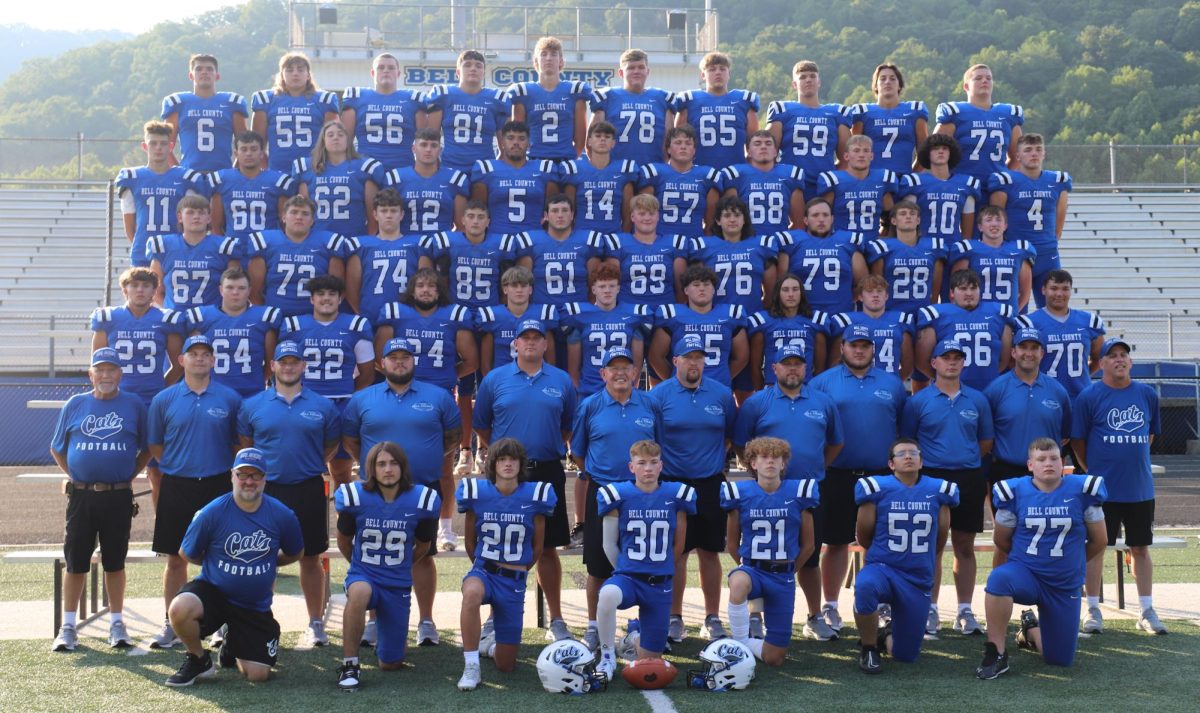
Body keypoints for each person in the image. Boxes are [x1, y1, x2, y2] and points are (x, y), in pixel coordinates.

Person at [342, 338, 462, 647]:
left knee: (424, 554)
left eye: (405, 357)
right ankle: (373, 620)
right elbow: (351, 441)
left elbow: (452, 438)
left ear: (414, 361)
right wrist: (373, 467)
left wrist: (426, 459)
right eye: (393, 358)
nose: (399, 362)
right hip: (375, 490)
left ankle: (425, 620)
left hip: (422, 487)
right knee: (373, 553)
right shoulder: (362, 399)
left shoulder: (438, 397)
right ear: (381, 363)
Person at [473, 318, 578, 641]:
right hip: (507, 472)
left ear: (546, 345)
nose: (531, 342)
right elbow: (482, 425)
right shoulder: (495, 379)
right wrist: (505, 455)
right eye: (525, 338)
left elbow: (567, 426)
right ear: (514, 344)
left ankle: (556, 619)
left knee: (547, 547)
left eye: (537, 338)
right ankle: (495, 615)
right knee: (500, 546)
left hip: (547, 468)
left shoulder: (560, 380)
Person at [163, 448, 303, 686]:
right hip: (215, 593)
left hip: (253, 606)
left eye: (255, 475)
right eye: (243, 474)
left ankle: (232, 643)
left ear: (265, 478)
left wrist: (269, 563)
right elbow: (187, 553)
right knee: (179, 609)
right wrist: (216, 565)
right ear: (232, 476)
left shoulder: (282, 515)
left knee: (257, 676)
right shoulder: (211, 513)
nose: (249, 481)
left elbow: (295, 552)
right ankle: (198, 660)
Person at [733, 345, 844, 640]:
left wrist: (814, 470)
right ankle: (755, 616)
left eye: (798, 364)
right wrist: (760, 477)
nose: (792, 369)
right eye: (786, 364)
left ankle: (814, 615)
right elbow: (741, 444)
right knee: (756, 555)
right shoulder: (757, 403)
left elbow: (835, 443)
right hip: (765, 493)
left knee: (809, 556)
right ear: (774, 369)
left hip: (808, 490)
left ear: (805, 368)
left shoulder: (822, 401)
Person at [237, 341, 341, 647]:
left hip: (308, 486)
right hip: (267, 492)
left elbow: (331, 445)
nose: (289, 366)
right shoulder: (253, 405)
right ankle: (258, 618)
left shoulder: (322, 406)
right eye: (283, 362)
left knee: (311, 557)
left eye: (295, 362)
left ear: (304, 366)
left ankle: (315, 622)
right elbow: (246, 444)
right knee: (262, 557)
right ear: (273, 366)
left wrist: (306, 461)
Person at [977, 439, 1107, 679]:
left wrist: (1073, 562)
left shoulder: (1083, 490)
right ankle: (996, 652)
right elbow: (1002, 541)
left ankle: (1029, 630)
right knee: (999, 579)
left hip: (1063, 583)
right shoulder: (1014, 492)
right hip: (1027, 575)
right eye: (1041, 459)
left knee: (1058, 660)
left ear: (1063, 462)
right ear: (1030, 465)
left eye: (1054, 458)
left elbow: (1100, 540)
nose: (1048, 463)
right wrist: (1023, 563)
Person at [50, 348, 150, 652]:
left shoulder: (133, 405)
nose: (106, 376)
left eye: (111, 370)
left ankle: (117, 623)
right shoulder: (75, 404)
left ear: (120, 374)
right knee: (76, 561)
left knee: (114, 561)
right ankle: (68, 626)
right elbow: (57, 448)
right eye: (100, 370)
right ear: (91, 375)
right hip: (81, 497)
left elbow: (147, 448)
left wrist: (127, 475)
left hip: (118, 496)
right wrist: (77, 475)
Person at [810, 324, 908, 635]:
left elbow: (902, 430)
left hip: (880, 476)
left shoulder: (892, 384)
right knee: (836, 542)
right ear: (843, 347)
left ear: (873, 349)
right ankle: (831, 606)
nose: (859, 350)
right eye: (854, 344)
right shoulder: (823, 383)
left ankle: (879, 605)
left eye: (865, 345)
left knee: (880, 545)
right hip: (838, 473)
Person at [147, 335, 242, 650]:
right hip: (177, 484)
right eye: (193, 354)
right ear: (181, 360)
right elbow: (156, 444)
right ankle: (171, 623)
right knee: (176, 558)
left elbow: (236, 442)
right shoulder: (165, 399)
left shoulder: (229, 398)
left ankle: (221, 623)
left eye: (206, 354)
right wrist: (179, 464)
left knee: (220, 558)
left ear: (214, 361)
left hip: (217, 485)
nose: (200, 359)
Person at [374, 268, 478, 549]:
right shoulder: (395, 313)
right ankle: (395, 519)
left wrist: (444, 377)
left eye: (431, 286)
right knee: (395, 460)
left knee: (443, 465)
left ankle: (445, 528)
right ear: (412, 289)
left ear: (439, 290)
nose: (426, 290)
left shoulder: (453, 315)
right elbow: (378, 357)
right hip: (402, 395)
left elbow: (471, 360)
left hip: (439, 397)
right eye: (420, 285)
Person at [899, 339, 994, 637]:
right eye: (946, 357)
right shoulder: (918, 401)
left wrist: (963, 461)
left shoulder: (977, 400)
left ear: (963, 363)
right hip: (932, 479)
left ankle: (965, 610)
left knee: (964, 546)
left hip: (968, 475)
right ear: (934, 363)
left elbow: (985, 441)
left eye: (957, 358)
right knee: (931, 547)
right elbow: (908, 443)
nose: (952, 362)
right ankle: (930, 608)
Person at [1071, 339, 1165, 635]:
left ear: (1131, 362)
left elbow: (1149, 435)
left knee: (1140, 548)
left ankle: (1146, 609)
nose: (1119, 360)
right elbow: (1078, 442)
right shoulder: (1089, 396)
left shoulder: (1147, 394)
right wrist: (1097, 473)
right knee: (1097, 548)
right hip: (1103, 492)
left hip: (1139, 489)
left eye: (1124, 355)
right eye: (1112, 356)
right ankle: (1093, 609)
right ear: (1101, 364)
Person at [649, 335, 738, 645]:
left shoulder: (722, 394)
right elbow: (653, 441)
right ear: (675, 361)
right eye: (687, 357)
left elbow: (729, 436)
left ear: (705, 362)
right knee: (677, 552)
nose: (693, 363)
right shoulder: (659, 395)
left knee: (710, 551)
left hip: (710, 481)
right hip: (673, 483)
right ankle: (675, 616)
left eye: (698, 358)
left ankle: (711, 616)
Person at [571, 346, 662, 648]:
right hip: (604, 493)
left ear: (636, 373)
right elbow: (579, 453)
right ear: (603, 374)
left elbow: (659, 448)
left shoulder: (650, 404)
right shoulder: (590, 405)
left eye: (626, 367)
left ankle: (646, 626)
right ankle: (594, 626)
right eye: (614, 368)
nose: (620, 373)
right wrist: (604, 479)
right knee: (598, 566)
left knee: (646, 562)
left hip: (643, 494)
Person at [334, 441, 440, 690]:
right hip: (365, 575)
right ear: (372, 468)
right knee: (358, 592)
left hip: (397, 582)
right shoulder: (355, 497)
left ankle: (388, 640)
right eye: (381, 463)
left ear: (402, 467)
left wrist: (401, 566)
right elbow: (343, 542)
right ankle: (350, 664)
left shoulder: (421, 499)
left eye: (393, 463)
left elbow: (423, 546)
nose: (388, 469)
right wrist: (361, 568)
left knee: (390, 663)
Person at [456, 438, 557, 690]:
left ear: (521, 463)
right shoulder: (477, 493)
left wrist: (519, 570)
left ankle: (490, 645)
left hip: (513, 581)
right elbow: (470, 542)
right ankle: (471, 665)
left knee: (506, 665)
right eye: (502, 459)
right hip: (484, 572)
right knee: (471, 593)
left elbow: (537, 546)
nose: (508, 464)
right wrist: (484, 568)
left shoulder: (536, 495)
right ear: (493, 463)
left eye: (513, 459)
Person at [853, 438, 957, 673]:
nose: (908, 456)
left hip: (917, 576)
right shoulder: (876, 488)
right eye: (901, 454)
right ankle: (869, 648)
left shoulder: (939, 490)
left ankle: (884, 634)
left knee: (905, 655)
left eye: (913, 453)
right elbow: (864, 536)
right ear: (891, 464)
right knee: (866, 585)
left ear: (922, 461)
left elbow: (940, 538)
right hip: (883, 567)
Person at [594, 440, 696, 681]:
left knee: (650, 659)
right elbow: (608, 543)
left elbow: (679, 543)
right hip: (629, 577)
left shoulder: (676, 495)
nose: (647, 468)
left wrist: (663, 568)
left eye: (653, 463)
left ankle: (632, 637)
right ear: (632, 467)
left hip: (660, 583)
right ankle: (607, 657)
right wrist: (625, 569)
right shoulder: (617, 494)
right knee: (607, 594)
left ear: (661, 466)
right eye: (641, 463)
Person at [91, 268, 185, 506]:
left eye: (146, 286)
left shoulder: (166, 319)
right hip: (117, 400)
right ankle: (111, 525)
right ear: (125, 290)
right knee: (112, 465)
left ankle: (161, 531)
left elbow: (179, 364)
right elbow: (97, 364)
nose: (140, 290)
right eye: (135, 286)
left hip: (152, 402)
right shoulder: (108, 318)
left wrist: (159, 388)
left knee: (157, 469)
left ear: (155, 291)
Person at [723, 436, 818, 665]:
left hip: (783, 576)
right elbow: (733, 544)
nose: (770, 462)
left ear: (784, 464)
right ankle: (738, 645)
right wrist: (747, 567)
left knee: (774, 659)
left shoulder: (799, 492)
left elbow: (809, 545)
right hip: (753, 570)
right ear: (752, 464)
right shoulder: (740, 492)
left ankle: (746, 644)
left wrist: (789, 570)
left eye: (776, 458)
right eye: (764, 457)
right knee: (737, 583)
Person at [279, 274, 375, 484]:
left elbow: (367, 373)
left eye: (332, 294)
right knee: (300, 468)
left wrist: (348, 393)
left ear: (340, 298)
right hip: (303, 403)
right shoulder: (293, 327)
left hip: (341, 403)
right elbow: (283, 367)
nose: (326, 298)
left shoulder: (355, 325)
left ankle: (344, 516)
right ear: (311, 299)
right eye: (320, 294)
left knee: (341, 472)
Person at [983, 329, 1071, 509]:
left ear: (1042, 353)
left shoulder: (1057, 390)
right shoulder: (995, 389)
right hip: (1006, 471)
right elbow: (985, 433)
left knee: (1047, 529)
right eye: (1023, 347)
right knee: (1005, 532)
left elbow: (1065, 434)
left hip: (1046, 473)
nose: (1028, 353)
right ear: (1014, 352)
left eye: (1034, 348)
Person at [988, 133, 1073, 305]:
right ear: (1017, 155)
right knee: (1016, 309)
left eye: (1038, 149)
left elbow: (1060, 217)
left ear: (1044, 153)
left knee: (1052, 306)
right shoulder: (1006, 180)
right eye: (1028, 150)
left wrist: (1050, 242)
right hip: (1016, 252)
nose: (1033, 154)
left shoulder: (1057, 181)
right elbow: (997, 218)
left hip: (1047, 254)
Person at [116, 120, 210, 267]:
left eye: (163, 143)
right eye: (153, 143)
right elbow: (130, 227)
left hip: (176, 252)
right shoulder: (132, 178)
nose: (158, 148)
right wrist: (145, 246)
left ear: (171, 147)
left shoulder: (185, 178)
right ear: (145, 146)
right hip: (142, 252)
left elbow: (191, 222)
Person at [245, 195, 353, 318]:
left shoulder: (328, 243)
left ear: (312, 221)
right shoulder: (265, 242)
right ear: (284, 217)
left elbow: (337, 288)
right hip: (275, 316)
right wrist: (266, 317)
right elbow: (254, 291)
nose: (299, 217)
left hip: (314, 318)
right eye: (294, 212)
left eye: (305, 214)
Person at [184, 267, 282, 399]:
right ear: (221, 290)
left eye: (241, 288)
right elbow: (192, 360)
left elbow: (271, 363)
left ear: (249, 290)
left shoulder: (264, 317)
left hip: (252, 393)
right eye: (229, 287)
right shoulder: (202, 317)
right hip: (212, 394)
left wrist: (257, 381)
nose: (235, 292)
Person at [561, 263, 653, 400]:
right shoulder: (581, 314)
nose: (607, 290)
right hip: (589, 387)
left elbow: (637, 357)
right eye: (602, 286)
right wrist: (576, 385)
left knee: (638, 335)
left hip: (622, 386)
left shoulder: (634, 314)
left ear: (618, 289)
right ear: (593, 290)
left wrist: (634, 383)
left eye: (611, 286)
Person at [648, 264, 749, 390]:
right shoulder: (671, 314)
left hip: (718, 388)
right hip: (682, 389)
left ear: (714, 290)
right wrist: (675, 380)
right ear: (686, 290)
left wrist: (722, 378)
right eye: (696, 285)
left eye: (707, 284)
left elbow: (741, 357)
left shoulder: (731, 314)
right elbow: (655, 357)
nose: (702, 288)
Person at [915, 269, 1015, 392]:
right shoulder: (936, 315)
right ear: (952, 293)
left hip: (990, 388)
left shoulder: (999, 313)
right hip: (950, 391)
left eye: (973, 288)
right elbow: (922, 361)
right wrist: (946, 380)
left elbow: (1004, 360)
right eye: (963, 288)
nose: (969, 293)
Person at [507, 194, 616, 307]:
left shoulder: (588, 241)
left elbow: (594, 284)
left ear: (572, 215)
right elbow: (525, 282)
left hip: (577, 311)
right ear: (546, 216)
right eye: (554, 211)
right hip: (542, 311)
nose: (560, 215)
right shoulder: (531, 242)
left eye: (565, 210)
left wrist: (586, 310)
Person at [766, 60, 852, 200]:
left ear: (819, 82)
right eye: (802, 77)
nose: (808, 80)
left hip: (824, 184)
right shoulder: (783, 110)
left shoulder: (836, 113)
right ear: (794, 84)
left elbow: (846, 158)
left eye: (812, 76)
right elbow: (768, 153)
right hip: (791, 183)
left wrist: (832, 178)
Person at [1016, 269, 1106, 401]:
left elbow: (1100, 358)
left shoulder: (1089, 321)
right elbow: (1018, 362)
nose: (1059, 293)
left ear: (1070, 291)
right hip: (1043, 397)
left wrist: (1083, 376)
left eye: (1065, 289)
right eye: (1054, 288)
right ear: (1043, 290)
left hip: (1080, 397)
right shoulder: (1029, 323)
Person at [423, 50, 512, 173]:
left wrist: (497, 164)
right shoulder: (444, 95)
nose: (473, 69)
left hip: (484, 168)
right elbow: (431, 136)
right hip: (451, 167)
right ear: (458, 72)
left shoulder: (496, 99)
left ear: (484, 73)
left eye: (478, 65)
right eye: (467, 65)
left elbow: (505, 146)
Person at [293, 120, 387, 238]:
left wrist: (369, 238)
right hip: (319, 238)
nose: (335, 138)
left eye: (340, 134)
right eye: (330, 135)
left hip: (354, 238)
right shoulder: (309, 168)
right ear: (323, 140)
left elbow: (372, 213)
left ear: (348, 140)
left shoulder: (363, 167)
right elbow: (304, 209)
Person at [934, 63, 1024, 187]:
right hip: (962, 187)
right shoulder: (956, 113)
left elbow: (1017, 157)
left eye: (988, 78)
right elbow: (933, 152)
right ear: (966, 86)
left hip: (995, 189)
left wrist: (1002, 177)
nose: (984, 81)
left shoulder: (1008, 115)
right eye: (978, 78)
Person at [775, 198, 868, 316]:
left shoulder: (848, 242)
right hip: (804, 316)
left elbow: (863, 284)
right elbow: (780, 283)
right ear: (805, 220)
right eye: (815, 215)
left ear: (832, 218)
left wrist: (844, 300)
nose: (821, 219)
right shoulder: (792, 242)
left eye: (825, 215)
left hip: (841, 315)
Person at [690, 195, 782, 314]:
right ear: (718, 220)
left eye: (737, 215)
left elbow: (771, 291)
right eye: (727, 215)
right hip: (717, 317)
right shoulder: (704, 246)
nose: (732, 220)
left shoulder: (761, 245)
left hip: (752, 314)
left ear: (744, 219)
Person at [147, 195, 241, 310]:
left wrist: (217, 315)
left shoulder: (224, 247)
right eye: (190, 212)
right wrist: (168, 311)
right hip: (174, 318)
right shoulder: (164, 246)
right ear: (180, 217)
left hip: (209, 320)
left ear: (209, 218)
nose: (196, 217)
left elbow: (233, 289)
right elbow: (155, 289)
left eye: (201, 213)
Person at [252, 52, 340, 174]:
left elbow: (335, 141)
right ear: (282, 75)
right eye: (289, 70)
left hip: (314, 171)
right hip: (278, 170)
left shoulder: (323, 100)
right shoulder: (266, 100)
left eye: (300, 69)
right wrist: (266, 167)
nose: (295, 73)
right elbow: (256, 144)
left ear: (308, 75)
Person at [469, 120, 560, 236]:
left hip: (533, 239)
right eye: (510, 138)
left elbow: (552, 212)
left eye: (521, 138)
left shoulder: (545, 169)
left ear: (529, 143)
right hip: (498, 239)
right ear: (502, 142)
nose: (516, 142)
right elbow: (479, 210)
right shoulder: (486, 169)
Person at [344, 188, 424, 319]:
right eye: (384, 211)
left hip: (408, 316)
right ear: (375, 214)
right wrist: (361, 314)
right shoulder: (361, 245)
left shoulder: (416, 244)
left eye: (393, 211)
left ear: (402, 214)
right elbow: (352, 288)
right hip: (370, 315)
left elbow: (424, 283)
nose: (388, 215)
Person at [508, 36, 592, 161]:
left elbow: (580, 140)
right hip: (535, 160)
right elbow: (518, 135)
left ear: (561, 61)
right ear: (536, 61)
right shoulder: (523, 92)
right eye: (543, 54)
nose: (548, 58)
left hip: (565, 160)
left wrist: (570, 157)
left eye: (553, 54)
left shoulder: (574, 91)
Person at [672, 51, 759, 170]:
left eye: (722, 69)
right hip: (699, 171)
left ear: (729, 73)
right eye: (712, 69)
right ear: (703, 75)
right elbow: (678, 141)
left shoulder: (744, 101)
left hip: (736, 172)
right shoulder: (690, 100)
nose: (718, 72)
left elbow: (754, 143)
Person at [161, 54, 248, 172]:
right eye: (198, 69)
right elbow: (165, 147)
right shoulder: (178, 103)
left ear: (217, 76)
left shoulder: (231, 103)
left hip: (222, 176)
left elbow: (245, 145)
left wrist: (232, 173)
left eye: (209, 69)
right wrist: (180, 173)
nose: (204, 72)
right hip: (190, 176)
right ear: (191, 75)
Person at [208, 131, 300, 243]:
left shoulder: (277, 181)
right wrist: (225, 249)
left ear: (262, 153)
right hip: (233, 249)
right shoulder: (223, 180)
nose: (248, 153)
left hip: (267, 248)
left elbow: (284, 223)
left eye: (253, 149)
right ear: (236, 154)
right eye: (244, 149)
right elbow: (215, 226)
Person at [340, 53, 425, 172]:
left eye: (391, 68)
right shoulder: (357, 97)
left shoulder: (412, 99)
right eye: (381, 67)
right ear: (373, 73)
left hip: (402, 169)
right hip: (365, 169)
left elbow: (424, 140)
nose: (386, 71)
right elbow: (345, 140)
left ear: (398, 73)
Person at [588, 48, 675, 165]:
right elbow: (591, 143)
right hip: (617, 169)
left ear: (647, 71)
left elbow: (669, 142)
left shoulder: (663, 98)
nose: (636, 71)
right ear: (621, 73)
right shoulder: (606, 97)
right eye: (631, 68)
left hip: (653, 169)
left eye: (641, 67)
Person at [746, 272, 830, 389]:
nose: (791, 294)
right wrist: (761, 393)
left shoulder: (815, 320)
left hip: (805, 386)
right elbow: (755, 365)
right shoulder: (763, 321)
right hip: (773, 386)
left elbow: (820, 366)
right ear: (777, 293)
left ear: (802, 293)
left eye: (795, 289)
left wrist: (815, 391)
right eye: (785, 290)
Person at [606, 193, 689, 308]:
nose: (647, 218)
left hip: (664, 310)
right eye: (642, 214)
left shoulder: (674, 243)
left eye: (651, 213)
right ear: (632, 217)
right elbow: (611, 283)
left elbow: (680, 287)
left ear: (658, 216)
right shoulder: (618, 243)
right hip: (629, 311)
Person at [636, 125, 720, 238]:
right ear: (668, 149)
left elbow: (710, 222)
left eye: (688, 143)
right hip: (661, 241)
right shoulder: (655, 173)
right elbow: (644, 214)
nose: (683, 147)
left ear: (694, 150)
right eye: (678, 142)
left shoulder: (707, 176)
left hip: (694, 241)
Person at [896, 133, 982, 243]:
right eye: (935, 149)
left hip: (953, 246)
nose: (940, 151)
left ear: (951, 153)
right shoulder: (915, 183)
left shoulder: (966, 184)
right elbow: (908, 224)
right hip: (925, 247)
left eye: (945, 148)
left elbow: (967, 234)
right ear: (928, 154)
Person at [948, 205, 1035, 313]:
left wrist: (1014, 312)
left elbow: (1025, 291)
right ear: (980, 227)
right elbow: (956, 287)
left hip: (1007, 317)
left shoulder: (1019, 250)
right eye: (989, 220)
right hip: (978, 316)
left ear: (1005, 226)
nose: (994, 224)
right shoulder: (969, 249)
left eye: (999, 220)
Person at [865, 200, 945, 316]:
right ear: (893, 221)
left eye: (912, 214)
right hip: (892, 312)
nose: (908, 216)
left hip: (923, 310)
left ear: (918, 220)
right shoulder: (883, 247)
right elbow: (878, 282)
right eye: (903, 214)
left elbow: (936, 283)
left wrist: (931, 306)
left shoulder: (933, 247)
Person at [718, 130, 805, 235]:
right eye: (757, 143)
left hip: (778, 244)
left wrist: (784, 242)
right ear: (748, 151)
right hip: (748, 244)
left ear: (775, 151)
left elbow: (798, 223)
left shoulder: (790, 175)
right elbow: (729, 220)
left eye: (768, 143)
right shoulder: (736, 175)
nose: (763, 147)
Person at [477, 266, 559, 375]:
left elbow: (550, 361)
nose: (519, 290)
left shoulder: (544, 314)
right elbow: (485, 364)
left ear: (530, 289)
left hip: (536, 378)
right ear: (505, 289)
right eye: (514, 285)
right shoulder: (492, 316)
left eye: (524, 286)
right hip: (503, 380)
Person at [559, 121, 639, 234]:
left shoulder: (624, 170)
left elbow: (628, 214)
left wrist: (621, 238)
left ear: (613, 143)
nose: (602, 139)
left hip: (613, 235)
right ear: (589, 141)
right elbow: (569, 210)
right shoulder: (575, 169)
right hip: (583, 236)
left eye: (607, 137)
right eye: (598, 136)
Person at [828, 275, 914, 380]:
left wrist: (895, 383)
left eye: (879, 291)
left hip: (888, 383)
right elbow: (835, 362)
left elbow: (908, 364)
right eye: (869, 291)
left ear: (886, 295)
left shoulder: (900, 320)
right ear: (860, 297)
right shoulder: (846, 321)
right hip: (854, 384)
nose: (875, 295)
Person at [387, 128, 469, 235]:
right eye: (423, 145)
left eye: (434, 145)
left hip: (440, 245)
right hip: (408, 246)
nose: (428, 149)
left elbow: (461, 225)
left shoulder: (454, 179)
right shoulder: (396, 178)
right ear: (414, 148)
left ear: (440, 150)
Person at [849, 63, 928, 176]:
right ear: (875, 86)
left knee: (911, 195)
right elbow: (853, 152)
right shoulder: (863, 113)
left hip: (903, 180)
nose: (887, 82)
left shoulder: (914, 111)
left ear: (899, 85)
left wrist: (911, 176)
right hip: (872, 180)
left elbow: (923, 152)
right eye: (882, 79)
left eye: (892, 78)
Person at [817, 134, 897, 236]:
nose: (861, 155)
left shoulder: (882, 179)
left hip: (871, 243)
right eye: (856, 150)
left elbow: (889, 218)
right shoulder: (834, 180)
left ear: (872, 156)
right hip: (843, 244)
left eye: (866, 151)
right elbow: (823, 216)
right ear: (846, 156)